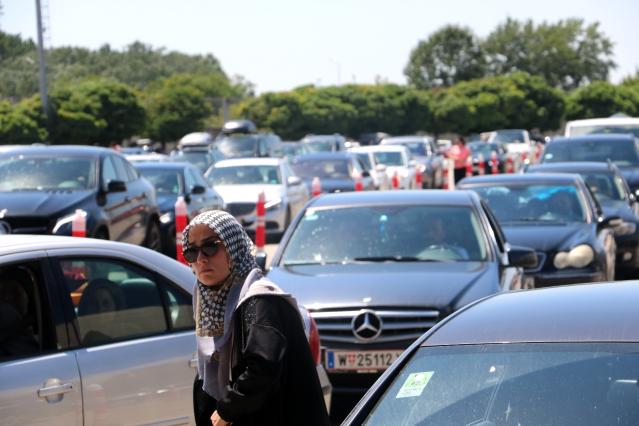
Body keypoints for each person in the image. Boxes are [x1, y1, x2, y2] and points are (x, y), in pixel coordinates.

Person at [184, 210, 330, 426]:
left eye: (210, 246)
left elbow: (262, 368)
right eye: (191, 251)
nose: (201, 259)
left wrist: (227, 409)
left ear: (234, 248)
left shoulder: (259, 300)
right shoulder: (215, 300)